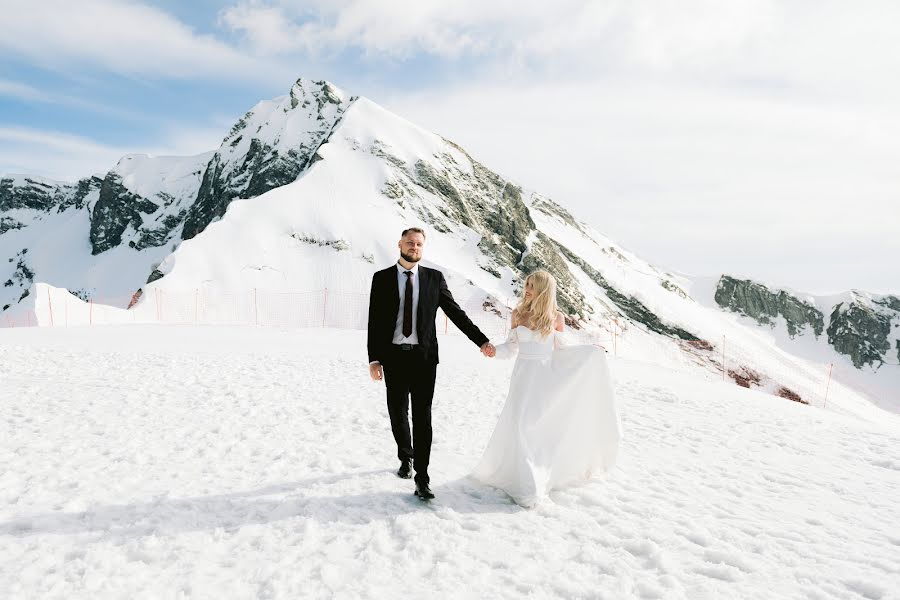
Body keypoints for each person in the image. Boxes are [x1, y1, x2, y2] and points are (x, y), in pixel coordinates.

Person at [472, 270, 621, 507]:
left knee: (535, 428)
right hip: (523, 378)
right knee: (520, 424)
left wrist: (591, 351)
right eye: (527, 283)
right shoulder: (518, 314)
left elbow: (562, 349)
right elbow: (510, 349)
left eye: (533, 285)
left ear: (544, 290)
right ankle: (524, 481)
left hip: (545, 378)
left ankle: (536, 476)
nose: (528, 288)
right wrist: (493, 351)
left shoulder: (556, 318)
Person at [368, 227, 496, 501]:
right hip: (393, 358)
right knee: (397, 411)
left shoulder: (434, 279)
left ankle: (422, 478)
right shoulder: (381, 279)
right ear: (399, 244)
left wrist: (482, 341)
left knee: (422, 417)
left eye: (419, 244)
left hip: (424, 359)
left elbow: (456, 313)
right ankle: (406, 455)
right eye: (410, 243)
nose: (414, 247)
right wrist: (374, 359)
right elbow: (375, 321)